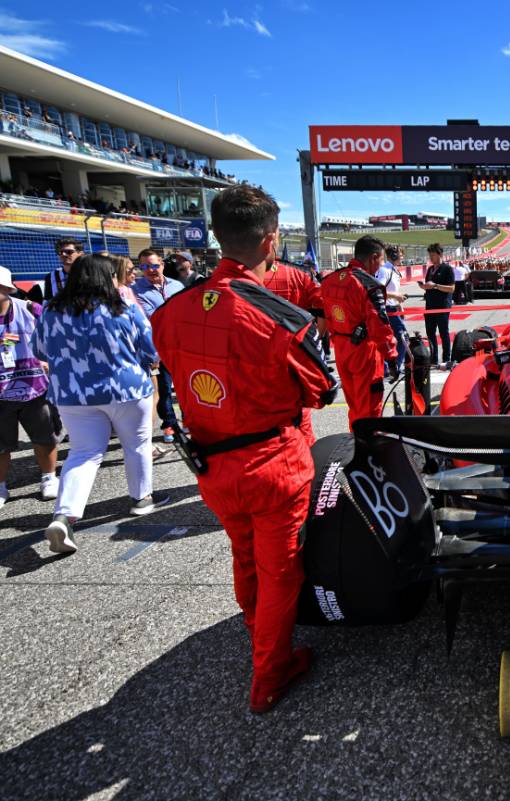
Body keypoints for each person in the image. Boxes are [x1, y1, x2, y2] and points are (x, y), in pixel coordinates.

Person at [152, 184, 338, 713]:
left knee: (243, 554)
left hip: (211, 465)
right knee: (281, 570)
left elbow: (173, 367)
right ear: (272, 242)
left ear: (217, 236)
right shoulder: (279, 317)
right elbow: (320, 392)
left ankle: (259, 632)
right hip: (271, 464)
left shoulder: (172, 309)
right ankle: (269, 674)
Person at [35, 254, 160, 554]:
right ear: (107, 279)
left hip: (73, 395)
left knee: (83, 453)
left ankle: (64, 516)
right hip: (126, 388)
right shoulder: (124, 306)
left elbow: (40, 348)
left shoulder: (51, 310)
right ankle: (140, 499)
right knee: (137, 444)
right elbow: (151, 347)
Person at [0, 265, 60, 509]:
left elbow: (54, 333)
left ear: (5, 289)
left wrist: (48, 359)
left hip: (33, 387)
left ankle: (48, 477)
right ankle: (1, 486)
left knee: (43, 435)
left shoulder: (29, 308)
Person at [321, 236, 398, 424]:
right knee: (369, 408)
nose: (380, 267)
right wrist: (392, 357)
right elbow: (380, 327)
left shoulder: (330, 280)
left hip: (340, 349)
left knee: (354, 405)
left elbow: (326, 316)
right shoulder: (369, 285)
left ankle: (355, 441)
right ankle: (368, 450)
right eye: (380, 261)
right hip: (364, 352)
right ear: (373, 258)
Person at [263, 260, 326, 441]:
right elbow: (323, 307)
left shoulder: (221, 283)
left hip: (248, 372)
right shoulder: (297, 275)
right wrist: (314, 342)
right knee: (301, 429)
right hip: (291, 366)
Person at [134, 249, 185, 443]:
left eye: (154, 265)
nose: (150, 270)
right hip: (157, 346)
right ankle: (169, 424)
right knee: (163, 387)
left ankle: (189, 420)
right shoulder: (135, 289)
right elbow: (147, 317)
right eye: (145, 266)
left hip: (181, 343)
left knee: (184, 384)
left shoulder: (177, 285)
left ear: (162, 265)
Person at [420, 243, 456, 368]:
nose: (430, 257)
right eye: (429, 255)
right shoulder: (430, 269)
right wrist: (424, 286)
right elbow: (429, 285)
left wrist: (435, 285)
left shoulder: (447, 269)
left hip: (442, 306)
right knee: (430, 333)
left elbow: (451, 288)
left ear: (440, 255)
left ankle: (446, 358)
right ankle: (433, 359)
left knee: (443, 333)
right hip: (429, 306)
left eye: (433, 255)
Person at [33, 236, 83, 304]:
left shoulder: (89, 274)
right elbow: (48, 301)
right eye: (60, 252)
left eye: (69, 252)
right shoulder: (51, 277)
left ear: (80, 254)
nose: (63, 254)